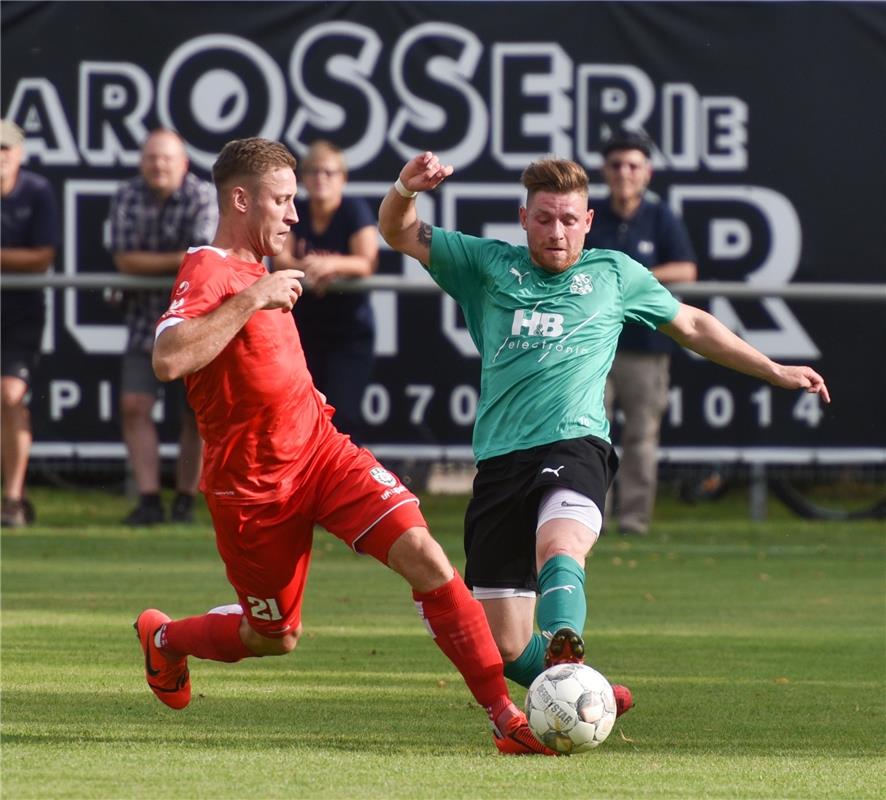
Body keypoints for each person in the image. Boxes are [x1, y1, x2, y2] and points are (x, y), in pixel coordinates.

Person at [134, 137, 554, 756]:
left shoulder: (257, 268)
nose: (293, 214)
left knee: (429, 559)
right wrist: (253, 298)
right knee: (273, 635)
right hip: (252, 487)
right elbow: (168, 360)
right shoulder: (211, 269)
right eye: (280, 200)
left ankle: (505, 718)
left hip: (322, 453)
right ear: (241, 198)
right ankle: (167, 640)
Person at [378, 151, 829, 698]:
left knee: (559, 544)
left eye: (569, 219)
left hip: (575, 442)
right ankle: (586, 689)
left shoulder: (615, 273)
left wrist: (773, 369)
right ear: (524, 220)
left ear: (587, 222)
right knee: (508, 648)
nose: (556, 231)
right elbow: (397, 231)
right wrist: (406, 186)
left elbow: (692, 324)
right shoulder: (487, 265)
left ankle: (566, 631)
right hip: (499, 461)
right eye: (544, 218)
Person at [586, 128, 698, 535]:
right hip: (593, 344)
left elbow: (686, 268)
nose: (624, 173)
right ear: (605, 170)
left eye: (633, 165)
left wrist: (634, 278)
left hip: (646, 345)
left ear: (647, 172)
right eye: (616, 164)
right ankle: (587, 518)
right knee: (588, 437)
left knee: (641, 438)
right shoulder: (590, 215)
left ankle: (634, 521)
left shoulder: (660, 216)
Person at [107, 128, 217, 525]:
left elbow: (201, 259)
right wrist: (176, 259)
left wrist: (150, 261)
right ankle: (149, 499)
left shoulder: (202, 194)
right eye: (152, 158)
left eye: (167, 158)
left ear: (183, 163)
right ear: (142, 162)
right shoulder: (127, 195)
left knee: (195, 415)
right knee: (134, 406)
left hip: (195, 320)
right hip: (144, 320)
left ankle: (185, 499)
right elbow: (123, 261)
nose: (158, 166)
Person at [273, 140, 378, 441]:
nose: (321, 178)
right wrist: (312, 267)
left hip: (349, 333)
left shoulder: (355, 210)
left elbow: (366, 262)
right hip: (302, 331)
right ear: (303, 178)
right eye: (314, 172)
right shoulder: (296, 210)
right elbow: (281, 259)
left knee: (343, 413)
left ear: (343, 178)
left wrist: (332, 265)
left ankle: (345, 484)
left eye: (329, 172)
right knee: (298, 413)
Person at [0, 119, 59, 528]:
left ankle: (13, 498)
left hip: (19, 315)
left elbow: (42, 256)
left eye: (4, 149)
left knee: (10, 396)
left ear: (19, 154)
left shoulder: (37, 191)